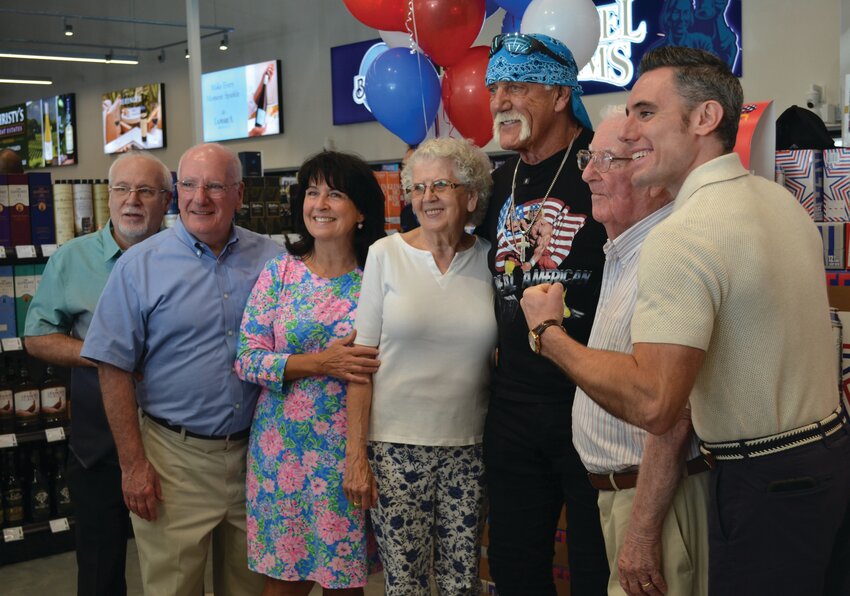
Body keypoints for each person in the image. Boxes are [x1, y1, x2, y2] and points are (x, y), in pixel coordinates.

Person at [520, 46, 850, 596]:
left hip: (760, 482)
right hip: (822, 463)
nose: (630, 131)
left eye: (645, 113)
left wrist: (547, 335)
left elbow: (657, 405)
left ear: (705, 119)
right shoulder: (777, 200)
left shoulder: (684, 234)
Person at [80, 143, 281, 596]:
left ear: (240, 194)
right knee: (174, 589)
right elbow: (112, 369)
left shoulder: (273, 260)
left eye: (214, 186)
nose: (199, 198)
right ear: (176, 192)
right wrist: (133, 466)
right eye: (188, 184)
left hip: (259, 456)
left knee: (252, 589)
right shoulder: (138, 266)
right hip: (174, 461)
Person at [481, 32, 609, 595]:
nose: (500, 100)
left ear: (561, 96)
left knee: (595, 567)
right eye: (495, 87)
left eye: (518, 86)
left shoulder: (603, 168)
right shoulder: (495, 180)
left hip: (592, 397)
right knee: (514, 567)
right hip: (512, 403)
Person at [344, 137, 497, 595]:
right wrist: (357, 457)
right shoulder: (384, 255)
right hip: (395, 450)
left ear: (471, 196)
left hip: (471, 449)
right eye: (418, 187)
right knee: (405, 585)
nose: (427, 197)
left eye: (441, 185)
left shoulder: (492, 259)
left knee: (461, 583)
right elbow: (360, 363)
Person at [235, 150, 386, 595]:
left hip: (351, 453)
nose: (319, 203)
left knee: (345, 584)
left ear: (360, 211)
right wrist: (321, 363)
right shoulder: (280, 272)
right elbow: (247, 358)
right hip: (282, 457)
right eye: (312, 192)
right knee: (283, 586)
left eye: (335, 194)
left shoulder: (377, 277)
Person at [572, 110, 709, 596]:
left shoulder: (665, 252)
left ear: (652, 175)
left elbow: (670, 415)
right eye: (590, 158)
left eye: (605, 160)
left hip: (656, 499)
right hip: (626, 495)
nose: (587, 173)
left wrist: (644, 531)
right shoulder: (624, 249)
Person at [24, 151, 171, 596]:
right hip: (98, 445)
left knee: (176, 568)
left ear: (167, 200)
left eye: (146, 191)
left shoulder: (189, 256)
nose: (132, 201)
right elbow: (37, 337)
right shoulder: (72, 259)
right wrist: (105, 356)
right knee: (100, 570)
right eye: (122, 189)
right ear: (108, 197)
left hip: (180, 443)